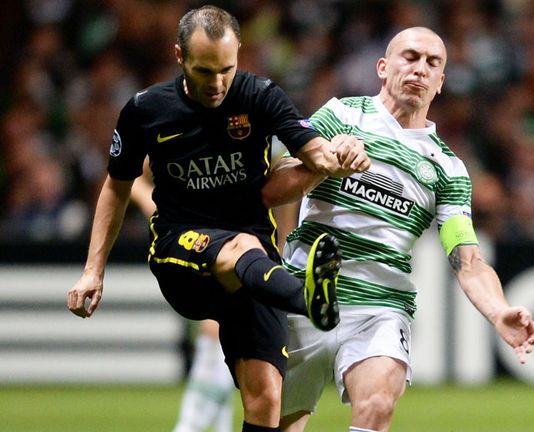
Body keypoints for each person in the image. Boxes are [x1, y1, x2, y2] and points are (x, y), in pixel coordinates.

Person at [66, 5, 370, 432]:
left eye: (226, 69)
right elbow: (117, 186)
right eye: (204, 71)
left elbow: (311, 151)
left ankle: (299, 295)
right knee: (241, 247)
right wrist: (92, 271)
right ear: (179, 57)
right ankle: (306, 298)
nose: (217, 83)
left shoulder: (260, 95)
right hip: (181, 252)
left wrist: (340, 155)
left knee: (266, 398)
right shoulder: (145, 111)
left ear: (239, 52)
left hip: (257, 270)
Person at [274, 27, 534, 432]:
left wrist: (498, 311)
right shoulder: (340, 116)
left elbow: (467, 260)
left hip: (380, 308)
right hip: (303, 295)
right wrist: (324, 161)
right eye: (410, 57)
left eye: (432, 63)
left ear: (441, 83)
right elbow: (274, 184)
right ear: (383, 68)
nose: (420, 69)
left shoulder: (447, 168)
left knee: (378, 405)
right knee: (280, 424)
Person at [132, 162, 234, 432]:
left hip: (247, 242)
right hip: (198, 243)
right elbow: (130, 175)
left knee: (230, 339)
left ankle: (202, 424)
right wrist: (156, 208)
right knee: (217, 328)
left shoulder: (263, 134)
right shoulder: (174, 126)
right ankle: (190, 424)